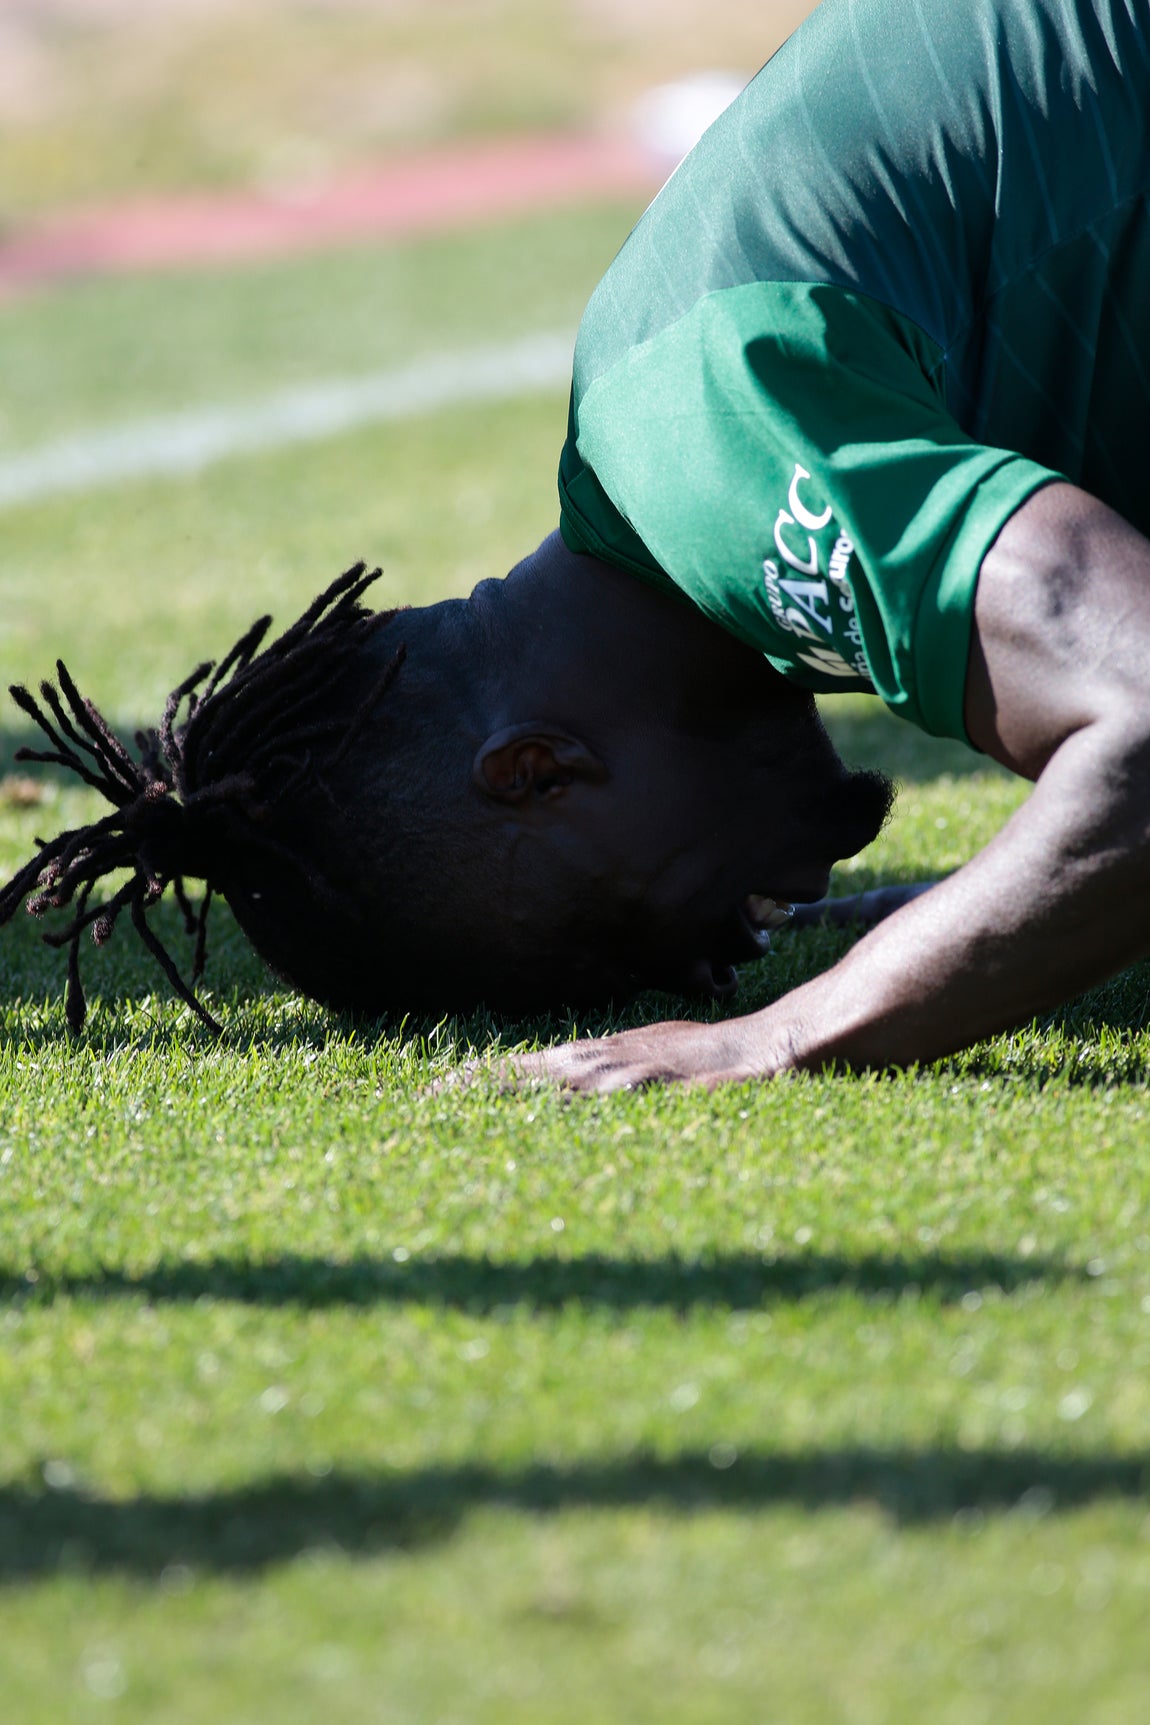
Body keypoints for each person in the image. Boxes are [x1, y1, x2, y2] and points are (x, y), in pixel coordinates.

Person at [4, 0, 1150, 1090]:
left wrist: (782, 1033)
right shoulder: (657, 444)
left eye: (623, 956)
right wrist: (978, 914)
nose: (719, 973)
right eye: (696, 977)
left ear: (536, 770)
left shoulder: (722, 454)